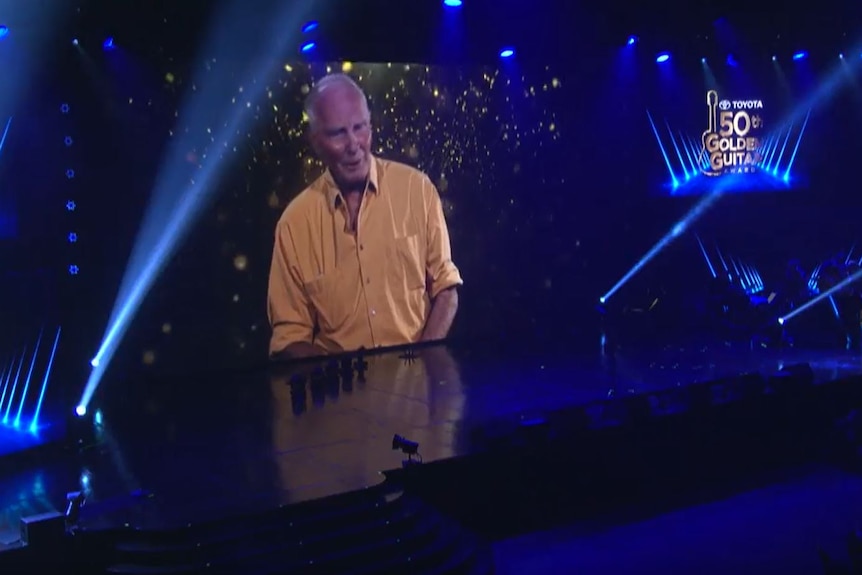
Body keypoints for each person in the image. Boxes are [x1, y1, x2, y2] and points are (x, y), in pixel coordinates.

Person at [267, 73, 463, 359]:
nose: (353, 144)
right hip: (342, 400)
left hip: (421, 391)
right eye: (338, 133)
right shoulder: (294, 224)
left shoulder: (416, 189)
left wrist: (422, 360)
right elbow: (288, 338)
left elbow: (446, 290)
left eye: (359, 128)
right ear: (316, 141)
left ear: (370, 127)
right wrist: (342, 382)